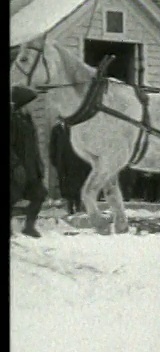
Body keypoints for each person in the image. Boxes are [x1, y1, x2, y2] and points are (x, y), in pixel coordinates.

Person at [10, 85, 48, 238]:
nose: (34, 106)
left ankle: (29, 226)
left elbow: (34, 146)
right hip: (17, 169)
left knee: (39, 194)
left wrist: (40, 165)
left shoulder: (28, 120)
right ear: (23, 103)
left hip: (31, 169)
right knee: (12, 197)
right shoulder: (13, 119)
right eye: (31, 102)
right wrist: (15, 165)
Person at [49, 119, 92, 215]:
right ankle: (69, 207)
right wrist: (55, 161)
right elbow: (52, 147)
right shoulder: (56, 129)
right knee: (65, 185)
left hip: (76, 161)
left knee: (78, 184)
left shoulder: (77, 127)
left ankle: (78, 206)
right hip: (63, 163)